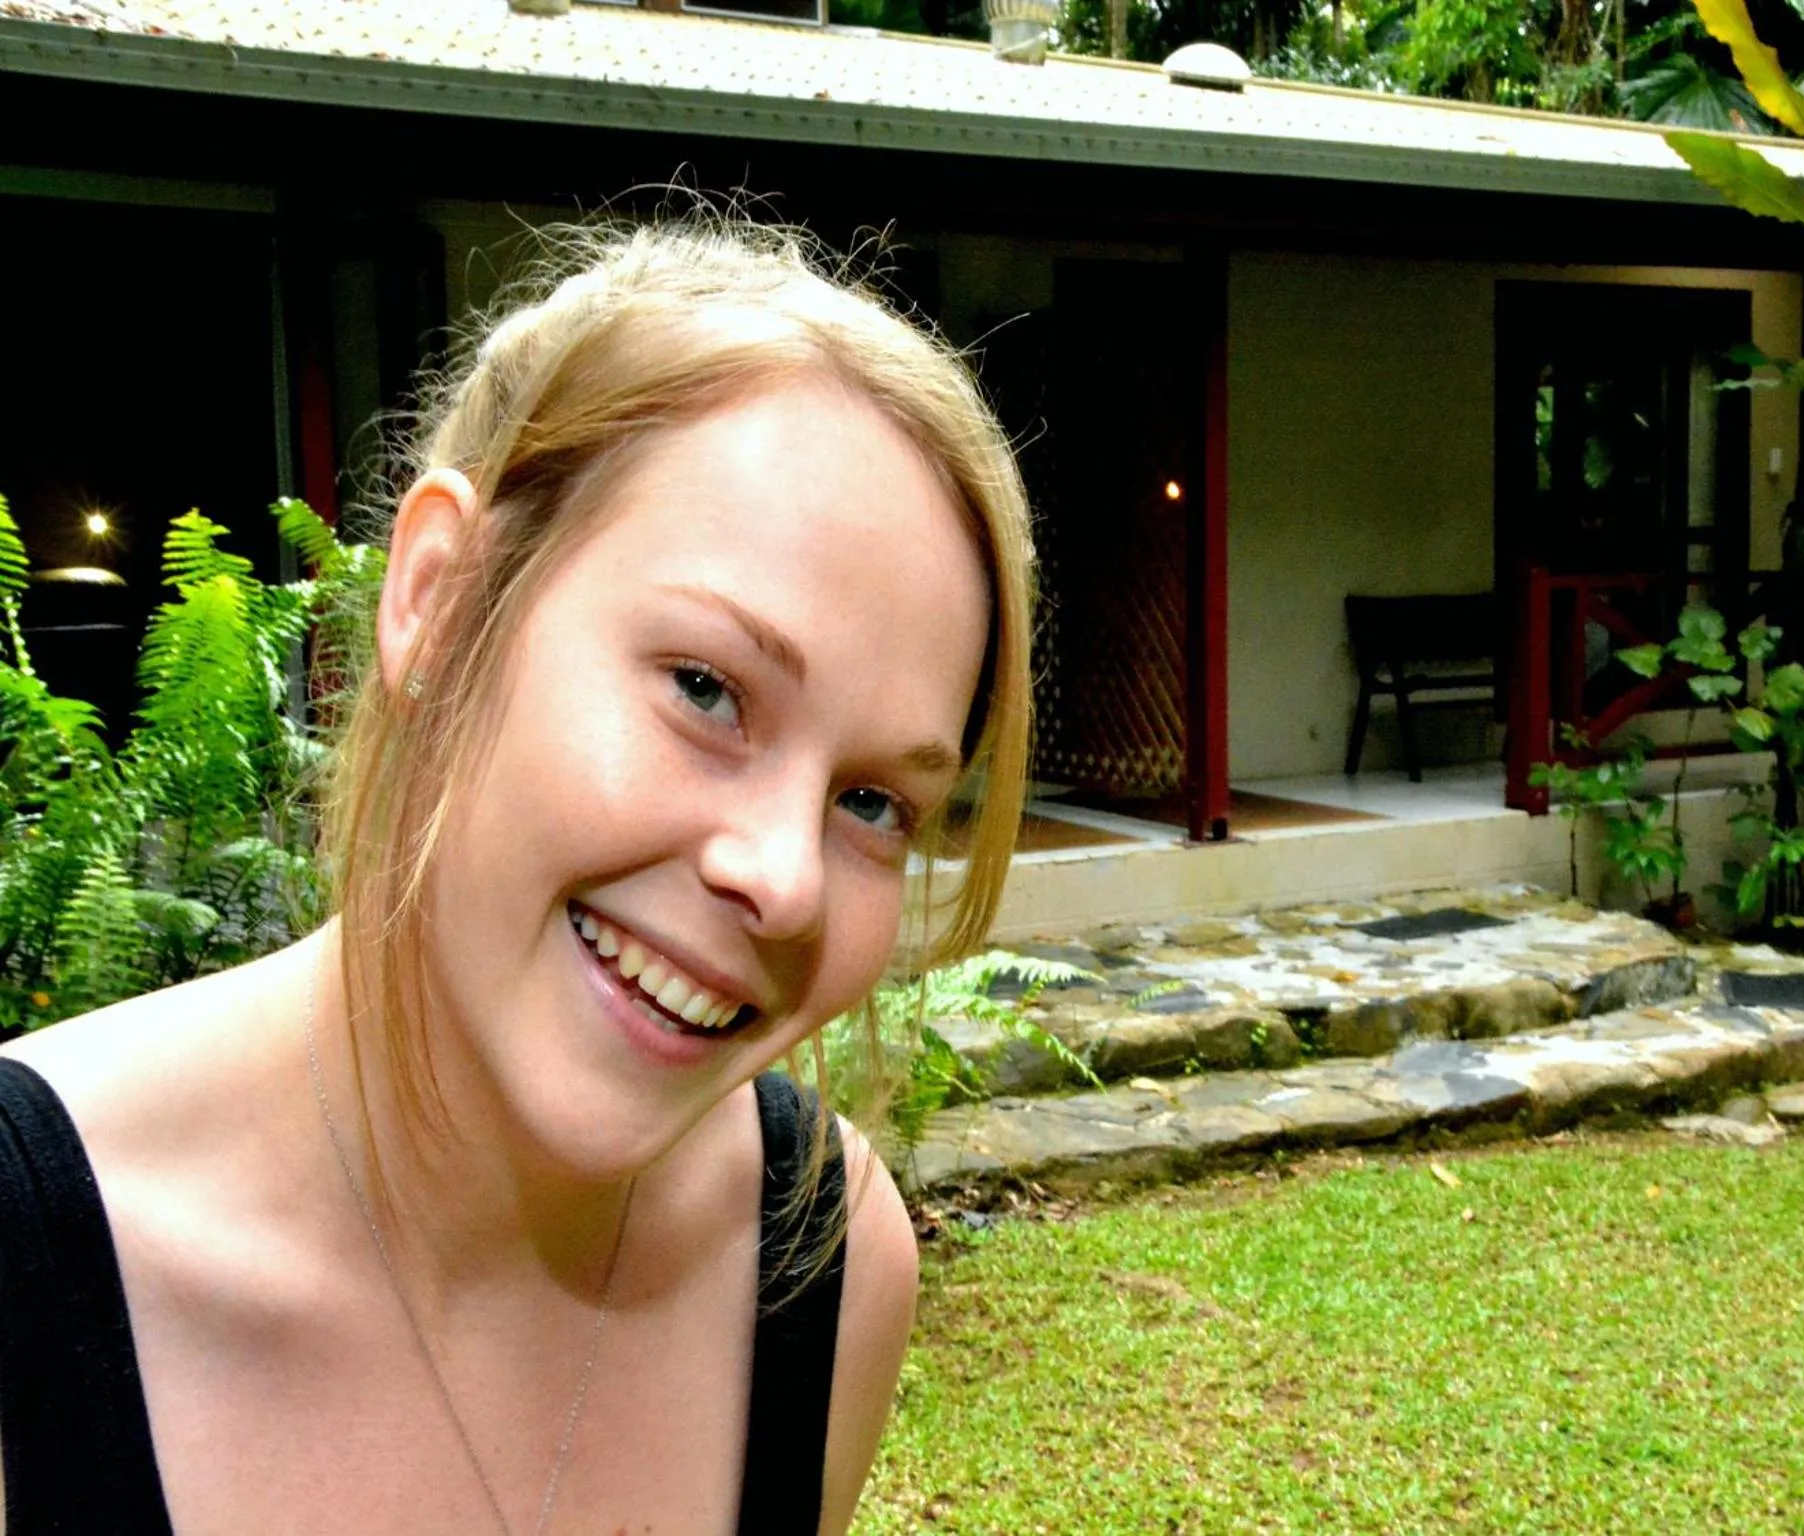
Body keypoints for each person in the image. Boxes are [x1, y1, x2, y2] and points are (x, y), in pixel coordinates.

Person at [0, 222, 1034, 1534]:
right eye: (707, 690)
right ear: (440, 600)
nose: (785, 880)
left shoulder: (824, 1272)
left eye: (875, 801)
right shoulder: (28, 1277)